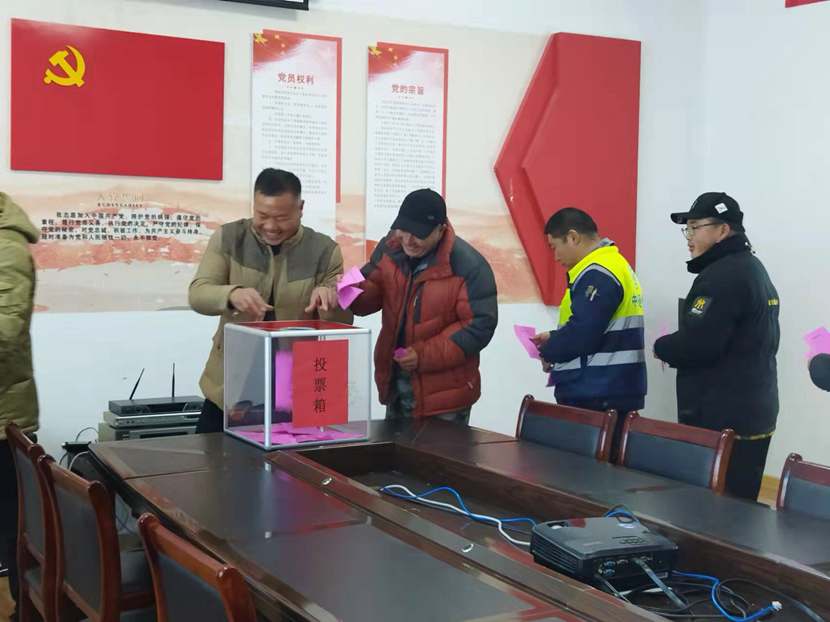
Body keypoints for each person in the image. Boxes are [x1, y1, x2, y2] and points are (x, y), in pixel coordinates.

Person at [189, 168, 352, 433]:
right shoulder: (229, 238)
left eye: (282, 218)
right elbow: (198, 293)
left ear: (301, 208)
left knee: (291, 459)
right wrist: (231, 294)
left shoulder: (323, 250)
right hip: (232, 381)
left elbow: (345, 320)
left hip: (294, 383)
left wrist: (330, 303)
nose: (271, 226)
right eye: (262, 216)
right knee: (214, 457)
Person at [654, 192, 780, 501]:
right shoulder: (752, 267)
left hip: (723, 420)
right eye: (687, 229)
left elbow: (699, 345)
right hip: (753, 412)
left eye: (695, 228)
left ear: (723, 230)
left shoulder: (722, 276)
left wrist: (661, 346)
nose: (689, 237)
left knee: (715, 511)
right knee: (739, 506)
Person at [351, 189, 497, 423]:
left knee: (438, 449)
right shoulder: (390, 248)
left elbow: (478, 326)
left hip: (445, 396)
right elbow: (369, 294)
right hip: (396, 386)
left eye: (418, 234)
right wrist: (347, 291)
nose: (408, 241)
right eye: (404, 230)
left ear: (441, 230)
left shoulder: (469, 266)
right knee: (395, 446)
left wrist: (423, 355)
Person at [532, 208, 646, 456]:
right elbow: (594, 325)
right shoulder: (613, 264)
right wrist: (554, 337)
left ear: (573, 237)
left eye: (554, 247)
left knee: (586, 473)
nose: (555, 256)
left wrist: (549, 350)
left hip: (598, 391)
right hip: (612, 387)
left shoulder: (598, 273)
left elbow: (583, 333)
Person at [0, 192, 40, 620]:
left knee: (15, 526)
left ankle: (25, 610)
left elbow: (6, 330)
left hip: (5, 416)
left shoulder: (7, 247)